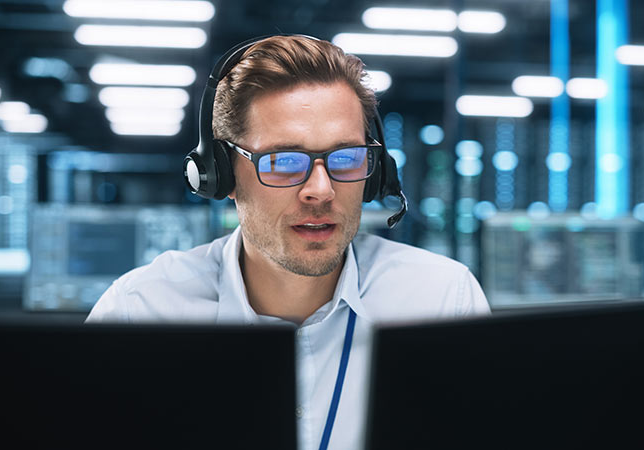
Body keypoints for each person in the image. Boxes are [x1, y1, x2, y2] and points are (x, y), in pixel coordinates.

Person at [86, 35, 491, 450]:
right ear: (220, 175)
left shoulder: (442, 301)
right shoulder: (139, 313)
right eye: (283, 161)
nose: (321, 190)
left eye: (347, 157)